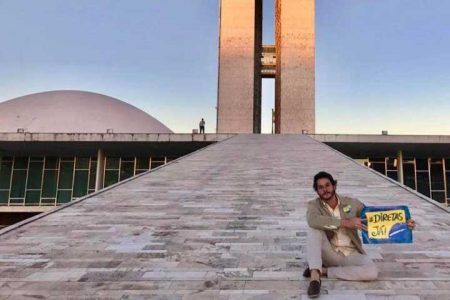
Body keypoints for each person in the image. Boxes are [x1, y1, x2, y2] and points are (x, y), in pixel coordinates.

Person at [305, 171, 416, 298]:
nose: (325, 190)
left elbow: (373, 219)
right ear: (317, 191)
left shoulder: (352, 203)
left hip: (351, 253)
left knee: (372, 272)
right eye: (320, 187)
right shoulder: (314, 205)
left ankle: (324, 271)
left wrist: (404, 223)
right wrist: (345, 223)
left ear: (334, 186)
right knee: (314, 229)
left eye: (327, 185)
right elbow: (312, 220)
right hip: (330, 252)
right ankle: (315, 278)